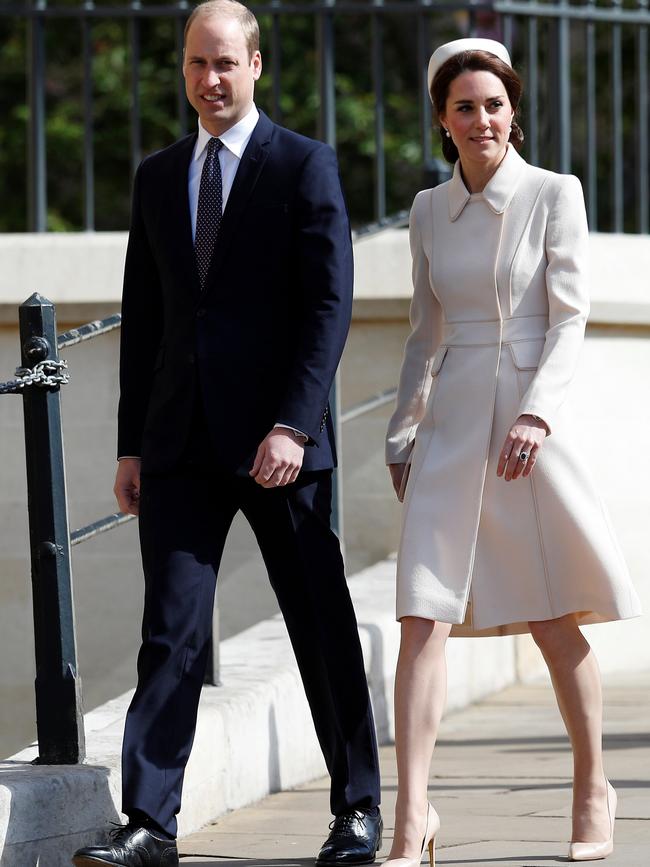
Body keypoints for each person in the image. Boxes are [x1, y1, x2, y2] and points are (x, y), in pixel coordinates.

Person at [72, 3, 383, 866]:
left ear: (256, 66)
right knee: (169, 633)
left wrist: (292, 423)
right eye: (196, 64)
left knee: (319, 625)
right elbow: (149, 315)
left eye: (226, 63)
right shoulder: (158, 174)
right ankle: (150, 824)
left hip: (279, 447)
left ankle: (358, 808)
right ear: (184, 70)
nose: (210, 80)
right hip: (179, 446)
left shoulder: (304, 166)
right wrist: (132, 444)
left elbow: (329, 308)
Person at [384, 37, 642, 866]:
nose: (482, 118)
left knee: (550, 617)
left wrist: (536, 414)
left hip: (527, 432)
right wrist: (401, 430)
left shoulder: (554, 194)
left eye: (494, 104)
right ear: (444, 121)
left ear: (513, 114)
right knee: (420, 618)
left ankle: (593, 784)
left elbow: (570, 317)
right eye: (465, 106)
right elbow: (424, 333)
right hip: (452, 424)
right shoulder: (427, 211)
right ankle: (411, 816)